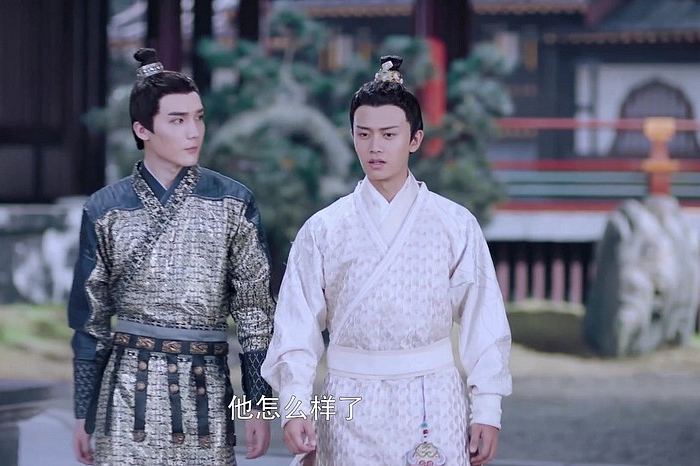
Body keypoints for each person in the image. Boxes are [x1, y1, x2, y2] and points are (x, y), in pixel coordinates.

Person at [261, 56, 512, 466]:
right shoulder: (324, 228)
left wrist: (487, 408)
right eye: (364, 134)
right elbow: (296, 327)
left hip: (432, 397)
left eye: (389, 134)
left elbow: (484, 321)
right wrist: (294, 405)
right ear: (353, 137)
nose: (375, 147)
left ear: (415, 139)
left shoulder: (453, 223)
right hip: (348, 399)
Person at [68, 48, 275, 465]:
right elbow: (90, 321)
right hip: (126, 392)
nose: (193, 132)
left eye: (199, 118)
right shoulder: (105, 209)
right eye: (177, 121)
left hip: (206, 389)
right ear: (142, 129)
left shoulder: (233, 202)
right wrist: (83, 411)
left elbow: (255, 313)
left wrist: (259, 405)